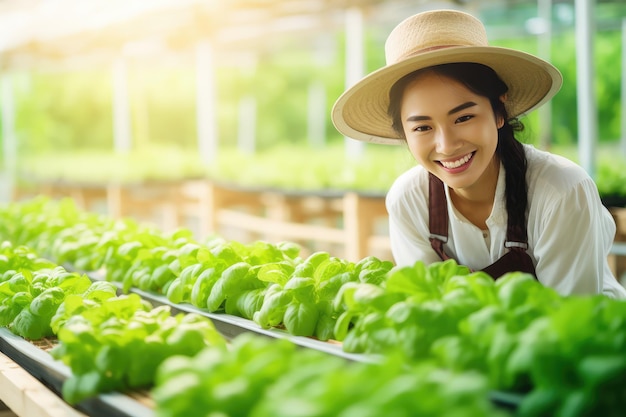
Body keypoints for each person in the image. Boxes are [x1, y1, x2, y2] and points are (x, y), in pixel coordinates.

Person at [331, 9, 626, 298]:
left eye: (463, 118)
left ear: (499, 111)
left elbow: (568, 324)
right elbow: (425, 310)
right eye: (422, 127)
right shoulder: (409, 200)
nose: (446, 145)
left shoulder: (560, 192)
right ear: (404, 135)